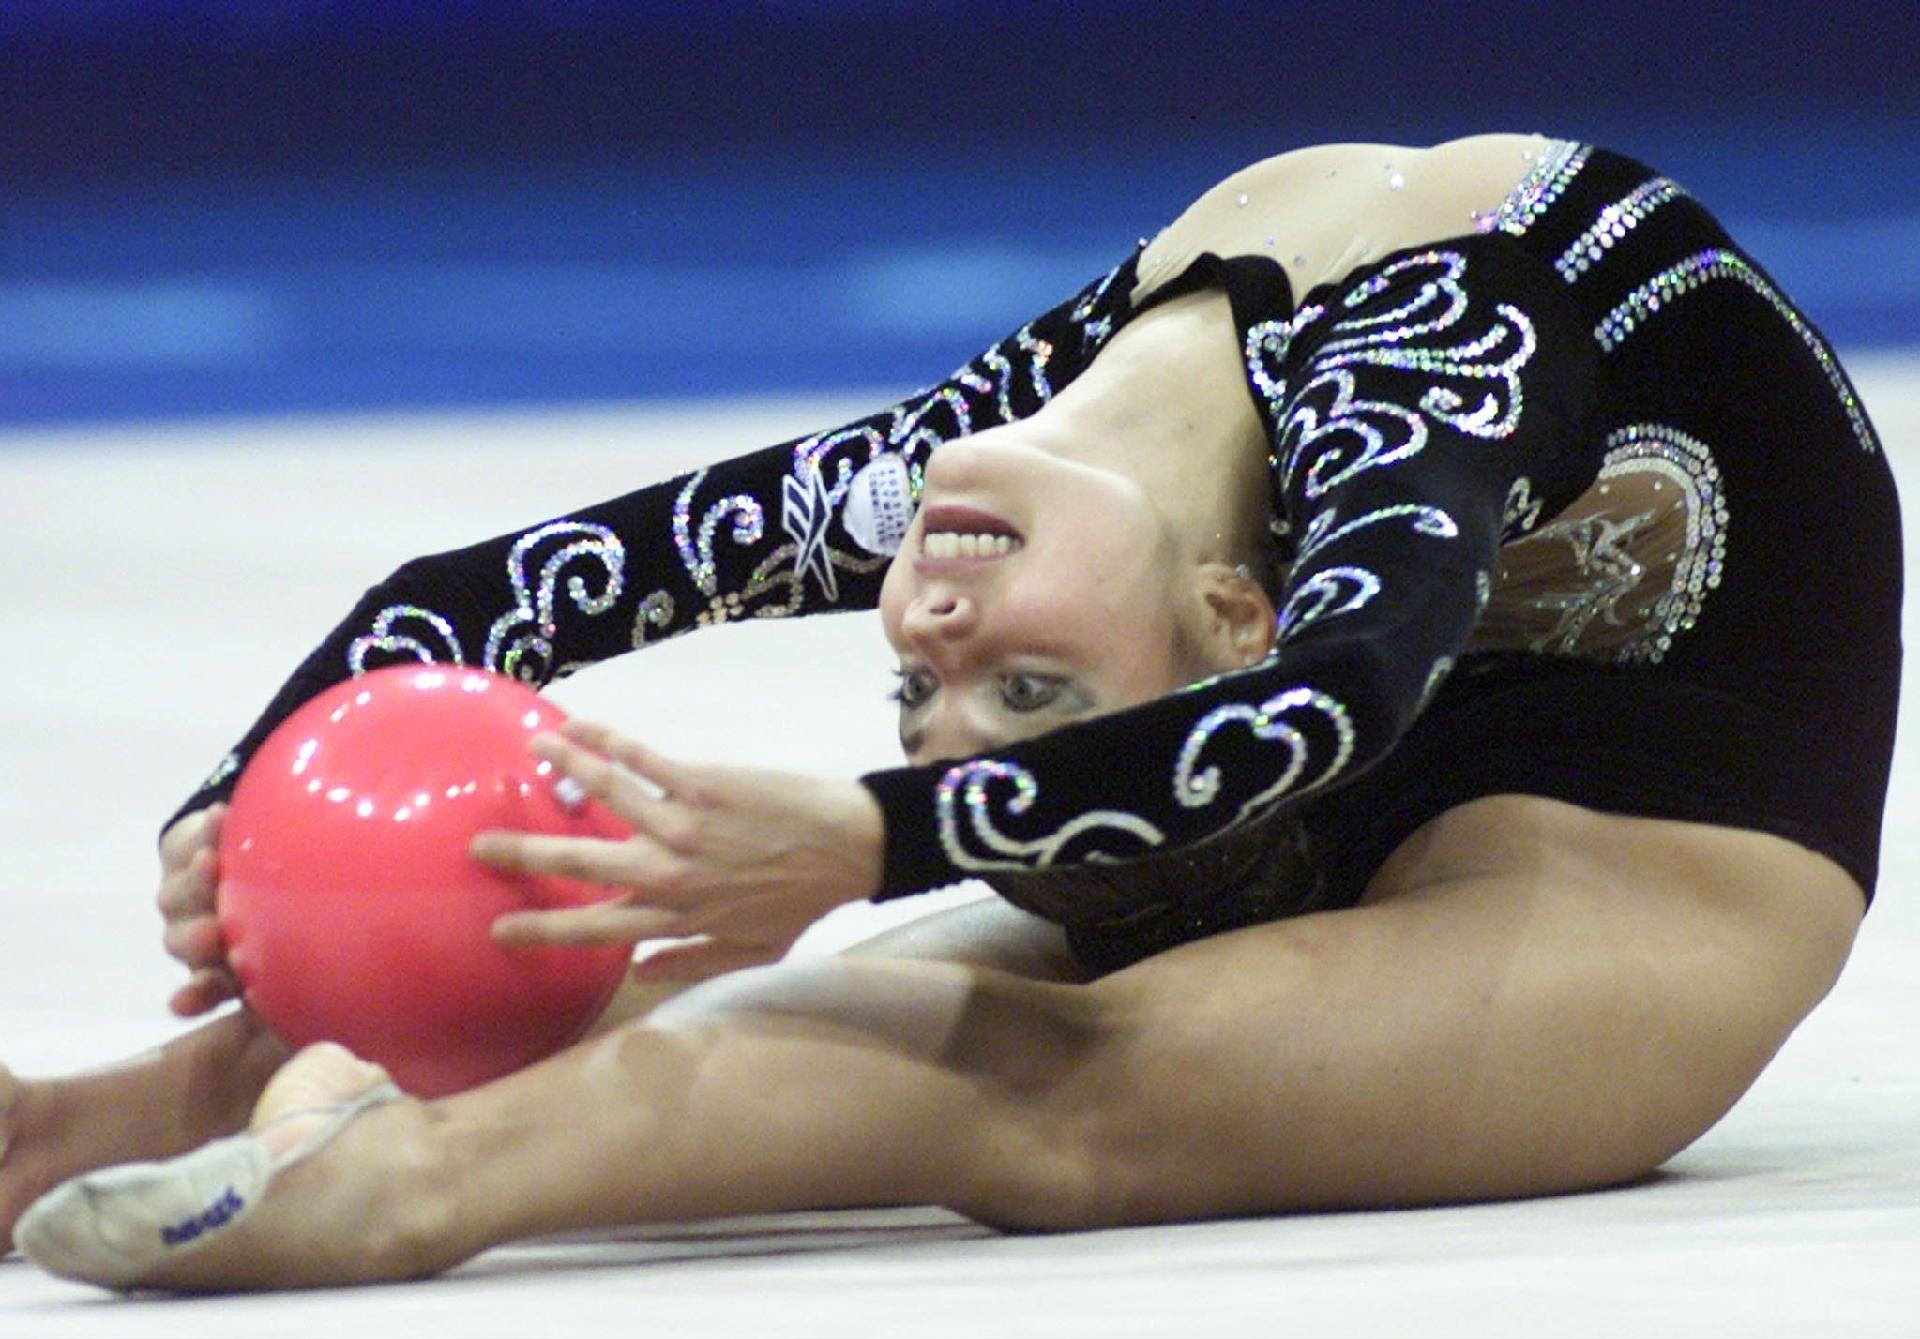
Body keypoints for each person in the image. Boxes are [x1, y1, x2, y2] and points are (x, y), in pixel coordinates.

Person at [3, 132, 1898, 1291]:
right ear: (1225, 613)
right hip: (1294, 757)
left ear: (1238, 609)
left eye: (981, 687)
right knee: (755, 995)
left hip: (1649, 853)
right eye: (953, 680)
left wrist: (865, 832)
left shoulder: (1428, 373)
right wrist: (235, 812)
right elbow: (460, 611)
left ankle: (393, 1191)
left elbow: (1336, 698)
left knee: (1044, 1089)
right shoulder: (1069, 474)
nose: (944, 627)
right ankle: (105, 1121)